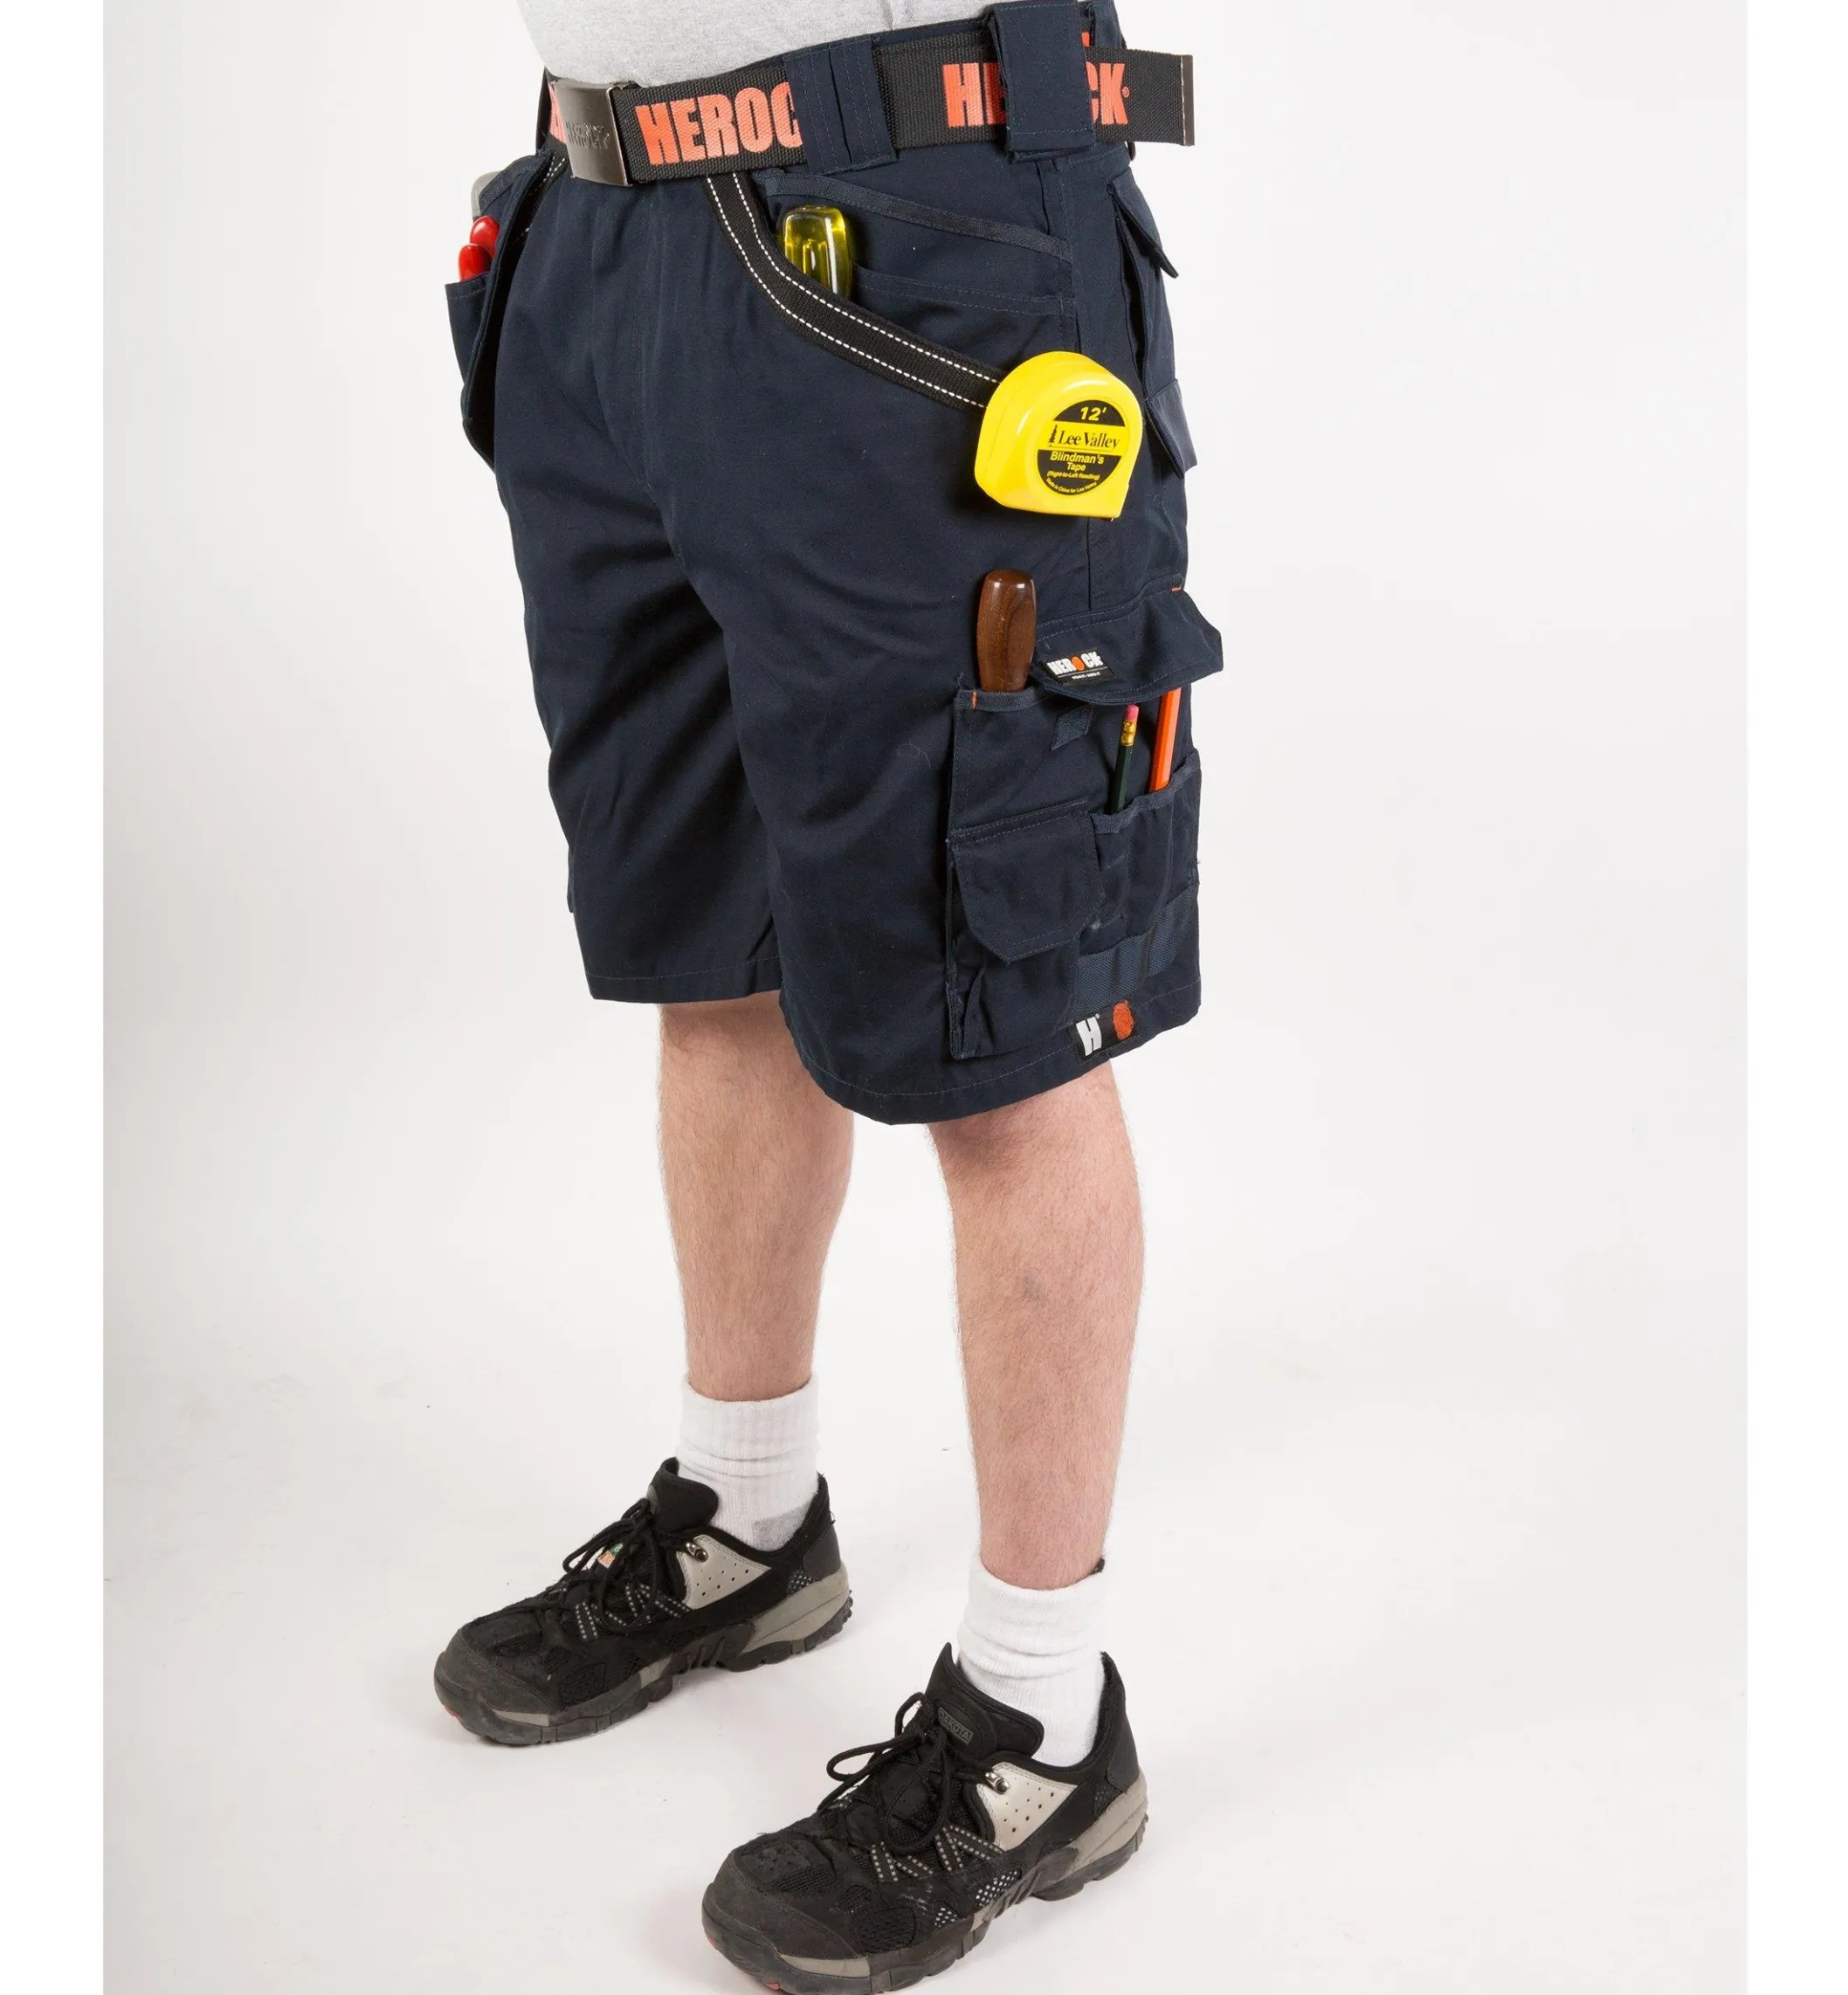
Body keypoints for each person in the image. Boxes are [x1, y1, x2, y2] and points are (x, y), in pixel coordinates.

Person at [433, 3, 1217, 1984]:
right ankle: (747, 1520)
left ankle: (1041, 1721)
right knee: (715, 947)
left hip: (910, 224)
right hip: (599, 227)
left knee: (999, 1020)